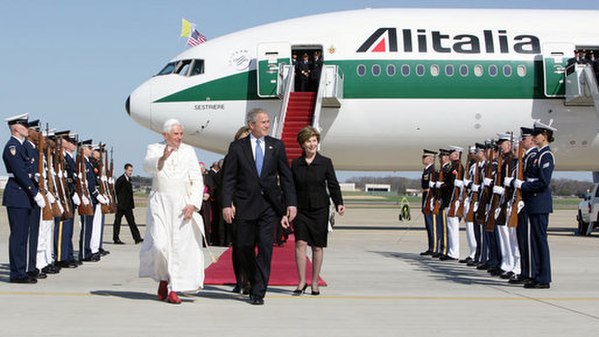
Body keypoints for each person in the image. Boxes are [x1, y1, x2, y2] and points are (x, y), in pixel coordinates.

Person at [221, 108, 297, 305]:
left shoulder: (276, 146)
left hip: (269, 206)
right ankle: (255, 277)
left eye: (268, 122)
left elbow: (286, 178)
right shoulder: (237, 147)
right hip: (245, 205)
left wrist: (291, 203)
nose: (267, 125)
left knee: (265, 249)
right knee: (243, 246)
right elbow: (228, 178)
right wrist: (226, 204)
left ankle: (258, 291)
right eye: (263, 122)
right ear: (251, 125)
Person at [139, 118, 205, 304]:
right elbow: (147, 165)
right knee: (160, 245)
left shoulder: (189, 151)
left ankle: (173, 287)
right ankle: (163, 276)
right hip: (160, 203)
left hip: (182, 205)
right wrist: (162, 159)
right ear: (165, 135)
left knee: (178, 248)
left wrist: (193, 204)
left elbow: (197, 180)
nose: (179, 137)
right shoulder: (154, 148)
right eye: (175, 134)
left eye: (181, 134)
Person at [288, 126, 344, 296]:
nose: (312, 144)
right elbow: (291, 187)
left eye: (314, 141)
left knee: (318, 246)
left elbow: (333, 184)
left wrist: (339, 202)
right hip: (301, 209)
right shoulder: (296, 164)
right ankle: (301, 281)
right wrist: (289, 206)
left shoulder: (325, 162)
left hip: (320, 208)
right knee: (300, 243)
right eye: (308, 141)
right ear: (302, 144)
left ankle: (314, 282)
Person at [2, 114, 46, 283]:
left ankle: (22, 270)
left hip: (24, 195)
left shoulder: (21, 146)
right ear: (15, 128)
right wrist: (34, 192)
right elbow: (20, 173)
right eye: (24, 125)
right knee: (18, 237)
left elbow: (28, 169)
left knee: (23, 237)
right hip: (18, 194)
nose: (27, 128)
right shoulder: (12, 146)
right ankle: (17, 273)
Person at [515, 121, 556, 289]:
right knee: (534, 241)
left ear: (545, 136)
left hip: (540, 202)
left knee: (540, 240)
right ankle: (536, 275)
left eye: (537, 134)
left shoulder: (546, 155)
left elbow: (543, 182)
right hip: (532, 202)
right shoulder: (538, 155)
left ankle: (544, 278)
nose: (534, 137)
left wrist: (523, 186)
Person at [113, 163, 143, 244]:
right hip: (121, 205)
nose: (130, 172)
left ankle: (137, 238)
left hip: (128, 206)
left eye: (131, 171)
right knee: (117, 222)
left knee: (132, 222)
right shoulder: (121, 179)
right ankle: (116, 239)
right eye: (129, 170)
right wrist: (117, 203)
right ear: (125, 170)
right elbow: (115, 191)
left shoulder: (129, 179)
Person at [419, 149, 437, 256]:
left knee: (431, 225)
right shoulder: (426, 170)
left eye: (424, 157)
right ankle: (431, 247)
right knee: (428, 225)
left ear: (430, 159)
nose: (422, 159)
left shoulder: (432, 171)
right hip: (426, 198)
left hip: (429, 199)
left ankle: (434, 247)